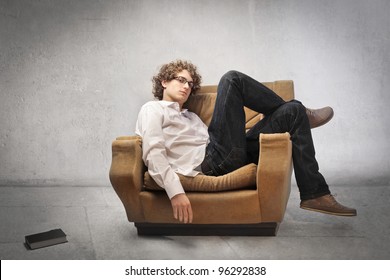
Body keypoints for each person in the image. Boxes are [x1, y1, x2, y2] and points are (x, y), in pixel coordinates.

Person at [135, 59, 357, 224]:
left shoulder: (191, 116)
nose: (186, 86)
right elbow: (153, 153)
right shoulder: (152, 109)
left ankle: (315, 194)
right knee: (232, 79)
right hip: (210, 162)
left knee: (292, 110)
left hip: (228, 154)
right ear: (164, 81)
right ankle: (298, 115)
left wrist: (267, 122)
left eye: (190, 84)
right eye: (181, 80)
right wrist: (176, 192)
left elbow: (227, 138)